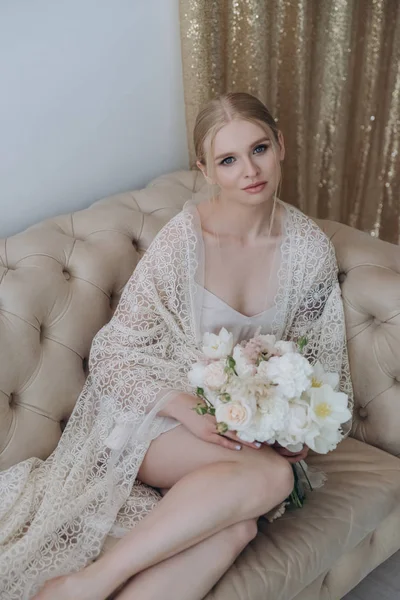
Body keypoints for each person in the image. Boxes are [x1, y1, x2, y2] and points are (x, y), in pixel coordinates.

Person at [0, 92, 353, 600]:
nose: (249, 171)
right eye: (228, 160)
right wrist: (185, 408)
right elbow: (112, 354)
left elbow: (317, 366)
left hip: (240, 431)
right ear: (205, 168)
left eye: (259, 149)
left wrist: (294, 427)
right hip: (155, 414)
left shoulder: (307, 250)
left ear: (281, 146)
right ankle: (87, 582)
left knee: (238, 528)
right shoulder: (183, 240)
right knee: (273, 482)